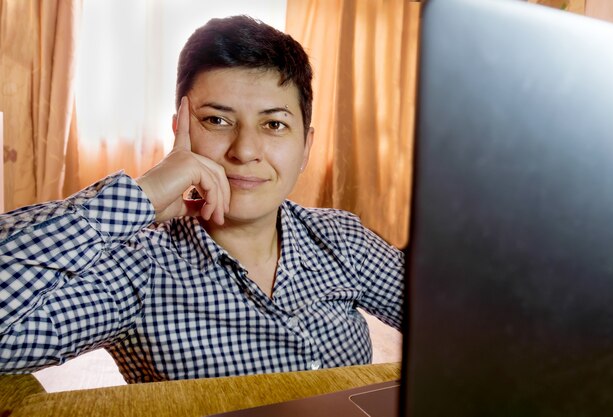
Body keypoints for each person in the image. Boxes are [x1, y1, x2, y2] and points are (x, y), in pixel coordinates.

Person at [0, 15, 403, 383]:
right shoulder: (139, 268)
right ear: (180, 132)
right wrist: (137, 198)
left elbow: (455, 319)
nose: (245, 151)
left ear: (305, 148)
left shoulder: (342, 239)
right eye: (217, 120)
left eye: (274, 124)